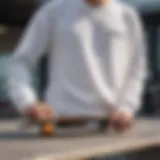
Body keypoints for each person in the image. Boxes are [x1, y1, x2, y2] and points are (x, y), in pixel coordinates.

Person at [8, 0, 147, 132]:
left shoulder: (128, 17)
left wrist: (126, 108)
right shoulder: (53, 12)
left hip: (112, 127)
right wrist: (27, 102)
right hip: (61, 126)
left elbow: (136, 71)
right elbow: (21, 61)